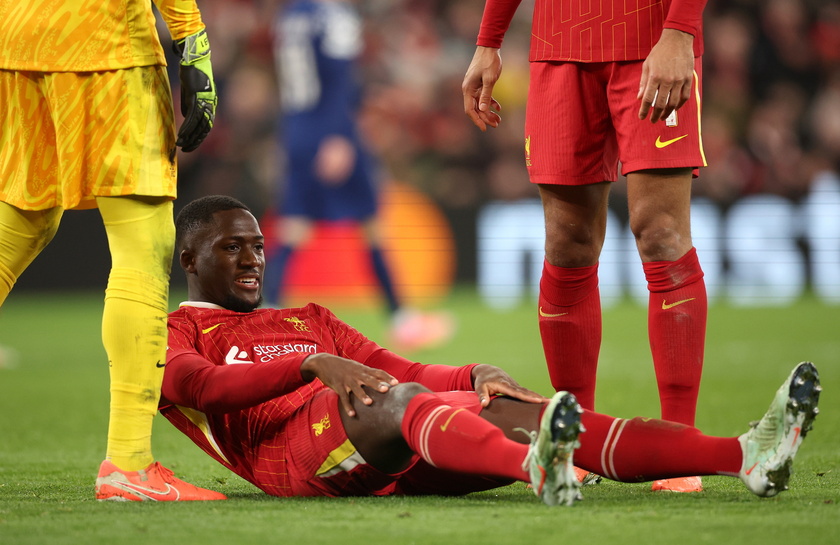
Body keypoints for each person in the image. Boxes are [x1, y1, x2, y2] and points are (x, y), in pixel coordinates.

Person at [159, 194, 820, 505]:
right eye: (232, 247)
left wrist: (474, 372)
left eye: (257, 244)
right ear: (189, 256)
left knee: (518, 405)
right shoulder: (175, 331)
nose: (253, 258)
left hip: (383, 434)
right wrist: (309, 362)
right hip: (296, 461)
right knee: (398, 400)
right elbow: (206, 390)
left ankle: (744, 455)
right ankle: (538, 469)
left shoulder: (309, 315)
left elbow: (405, 367)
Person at [462, 0, 710, 491]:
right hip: (559, 47)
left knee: (660, 232)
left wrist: (680, 31)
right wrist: (488, 41)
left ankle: (681, 445)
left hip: (649, 39)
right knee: (567, 242)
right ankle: (579, 440)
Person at [0, 0, 224, 501]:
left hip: (15, 43)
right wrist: (192, 44)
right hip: (103, 45)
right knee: (142, 243)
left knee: (21, 219)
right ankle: (128, 463)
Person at [265, 0, 451, 352]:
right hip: (332, 130)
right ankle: (403, 320)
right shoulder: (331, 14)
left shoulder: (292, 14)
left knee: (294, 227)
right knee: (370, 225)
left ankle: (262, 316)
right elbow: (336, 80)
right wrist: (337, 134)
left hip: (296, 127)